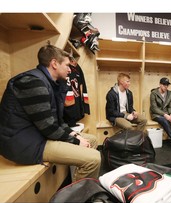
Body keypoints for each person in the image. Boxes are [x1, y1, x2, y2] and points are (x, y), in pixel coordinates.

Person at [0, 44, 101, 182]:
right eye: (66, 65)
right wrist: (76, 141)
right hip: (25, 143)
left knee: (92, 140)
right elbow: (48, 128)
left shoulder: (52, 83)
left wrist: (72, 134)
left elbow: (57, 121)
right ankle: (79, 198)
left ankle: (76, 182)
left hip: (38, 135)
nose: (70, 69)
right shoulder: (34, 83)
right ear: (54, 64)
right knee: (94, 159)